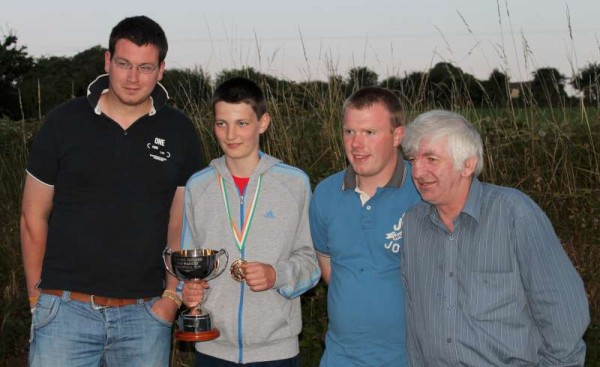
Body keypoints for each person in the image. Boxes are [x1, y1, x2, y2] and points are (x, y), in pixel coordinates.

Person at [20, 15, 204, 367]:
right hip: (65, 312)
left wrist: (170, 298)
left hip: (145, 316)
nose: (133, 78)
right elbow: (32, 216)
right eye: (124, 64)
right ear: (107, 62)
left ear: (161, 69)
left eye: (145, 67)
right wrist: (37, 301)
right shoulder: (63, 121)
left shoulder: (180, 131)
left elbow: (180, 223)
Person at [400, 110, 590, 366]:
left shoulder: (514, 213)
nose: (417, 172)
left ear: (468, 164)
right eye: (412, 160)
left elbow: (564, 314)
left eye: (431, 159)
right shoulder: (413, 224)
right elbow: (415, 320)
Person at [180, 77, 320, 366]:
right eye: (222, 123)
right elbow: (188, 263)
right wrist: (188, 291)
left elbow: (311, 263)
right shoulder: (198, 186)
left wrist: (276, 275)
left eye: (242, 123)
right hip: (212, 346)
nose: (231, 134)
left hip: (276, 350)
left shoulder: (294, 183)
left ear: (263, 122)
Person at [308, 87, 421, 366]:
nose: (356, 144)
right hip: (341, 356)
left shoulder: (422, 191)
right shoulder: (325, 193)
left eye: (369, 132)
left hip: (410, 356)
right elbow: (328, 264)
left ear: (397, 135)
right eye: (349, 132)